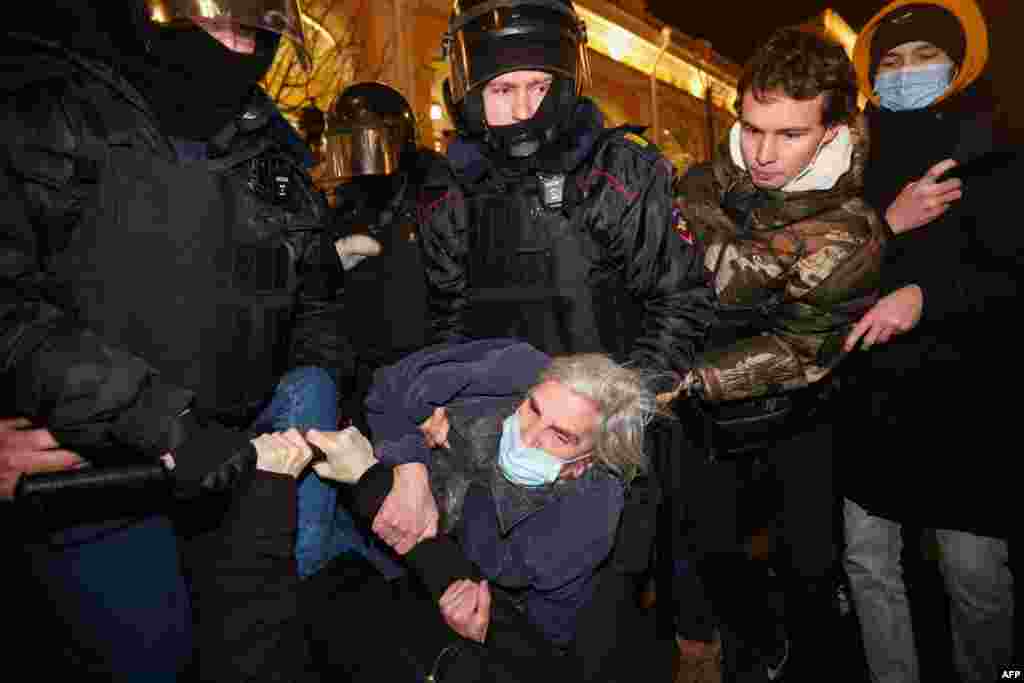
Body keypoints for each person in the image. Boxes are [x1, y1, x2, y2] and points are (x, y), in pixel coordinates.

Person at [1, 1, 355, 676]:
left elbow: (311, 296)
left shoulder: (273, 147)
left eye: (248, 29)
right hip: (96, 477)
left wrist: (311, 382)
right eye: (212, 19)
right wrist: (161, 418)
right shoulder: (48, 107)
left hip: (241, 463)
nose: (230, 45)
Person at [419, 3, 714, 677]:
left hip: (609, 457)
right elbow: (447, 327)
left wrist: (621, 415)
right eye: (501, 90)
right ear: (469, 96)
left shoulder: (616, 174)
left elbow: (681, 297)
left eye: (537, 85)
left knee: (601, 639)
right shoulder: (451, 193)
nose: (523, 108)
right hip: (496, 450)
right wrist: (441, 433)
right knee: (504, 635)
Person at [185, 338, 661, 681]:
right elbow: (391, 387)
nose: (528, 434)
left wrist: (488, 634)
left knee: (290, 568)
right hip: (367, 505)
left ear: (587, 462)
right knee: (311, 386)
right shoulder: (512, 367)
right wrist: (411, 462)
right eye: (533, 408)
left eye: (560, 436)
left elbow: (537, 634)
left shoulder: (587, 518)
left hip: (402, 574)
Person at [669, 27, 885, 682]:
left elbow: (795, 350)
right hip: (702, 427)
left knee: (808, 576)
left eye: (788, 134)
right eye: (753, 127)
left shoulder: (852, 231)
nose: (762, 152)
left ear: (831, 129)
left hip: (794, 425)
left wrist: (690, 375)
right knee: (708, 563)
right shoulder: (711, 176)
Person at [840, 2, 1017, 681]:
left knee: (973, 572)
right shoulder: (851, 153)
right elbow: (818, 267)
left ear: (958, 64)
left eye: (923, 58)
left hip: (966, 397)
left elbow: (1010, 273)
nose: (906, 74)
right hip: (871, 394)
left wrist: (927, 295)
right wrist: (888, 221)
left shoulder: (996, 147)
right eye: (891, 62)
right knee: (868, 559)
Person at [325, 82, 451, 431]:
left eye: (369, 144)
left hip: (421, 368)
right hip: (362, 374)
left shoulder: (434, 197)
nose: (360, 158)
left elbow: (453, 294)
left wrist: (441, 378)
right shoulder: (346, 206)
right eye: (349, 146)